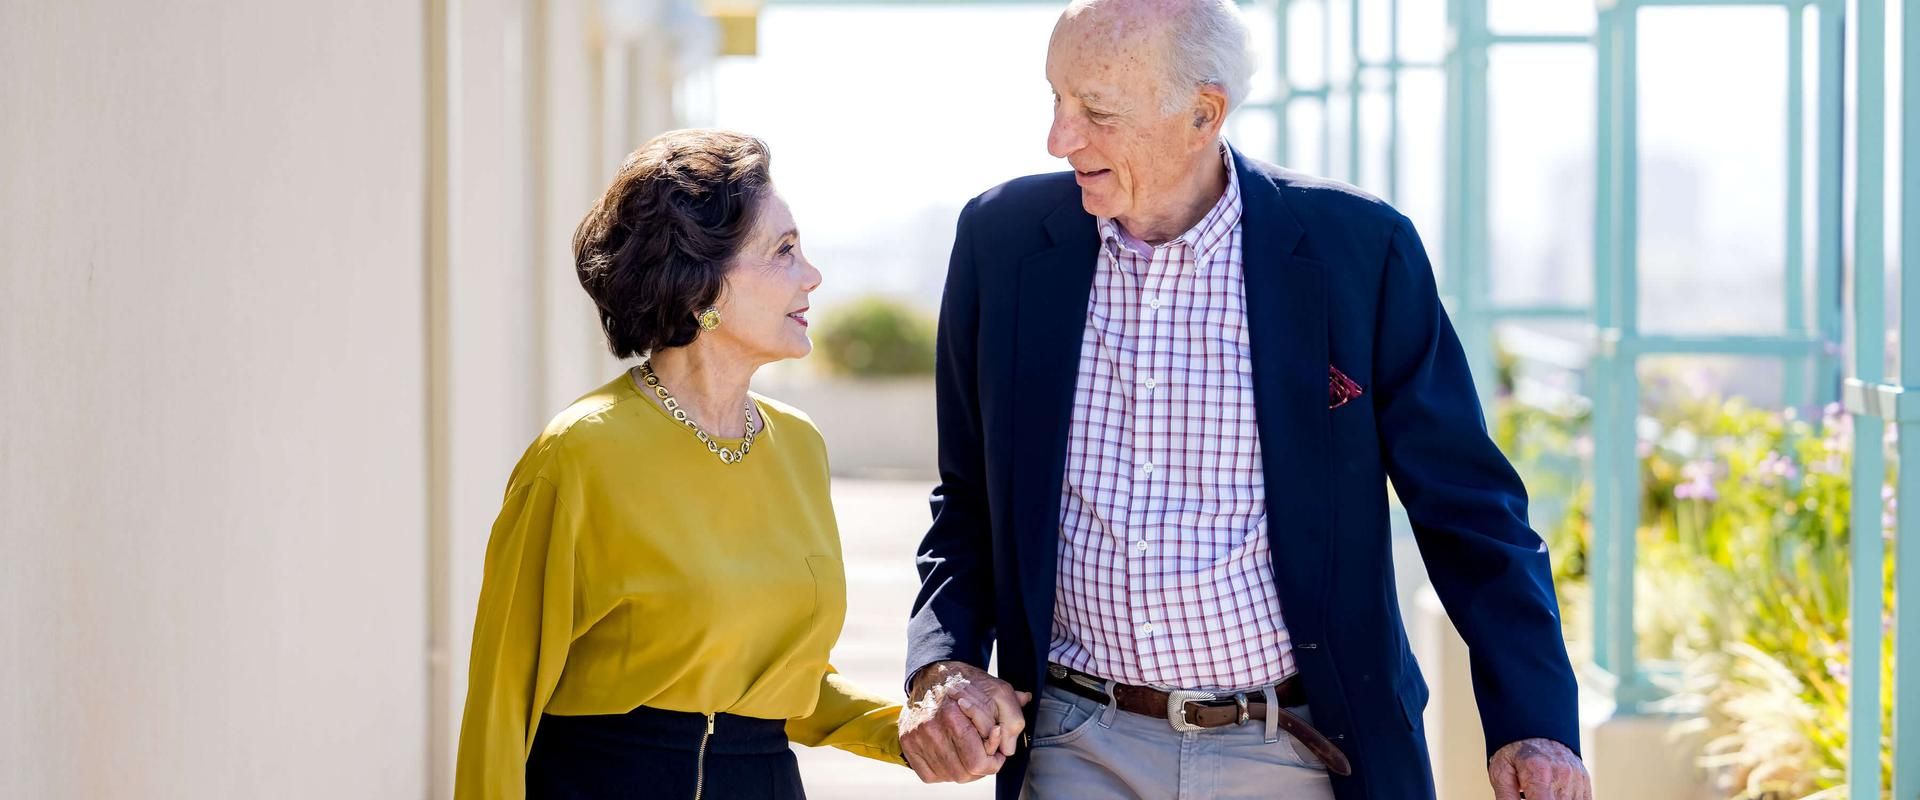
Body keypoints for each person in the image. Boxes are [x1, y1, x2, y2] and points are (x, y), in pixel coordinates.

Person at [898, 1, 1594, 798]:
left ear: (1203, 112)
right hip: (1072, 742)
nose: (1060, 137)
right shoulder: (1003, 240)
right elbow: (968, 502)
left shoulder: (1356, 250)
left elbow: (1468, 509)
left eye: (1096, 111)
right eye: (1054, 99)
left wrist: (1534, 722)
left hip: (1297, 750)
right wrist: (944, 662)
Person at [454, 129, 988, 799]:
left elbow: (785, 684)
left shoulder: (798, 446)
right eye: (783, 251)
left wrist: (909, 729)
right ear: (699, 280)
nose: (812, 275)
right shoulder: (579, 455)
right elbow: (502, 698)